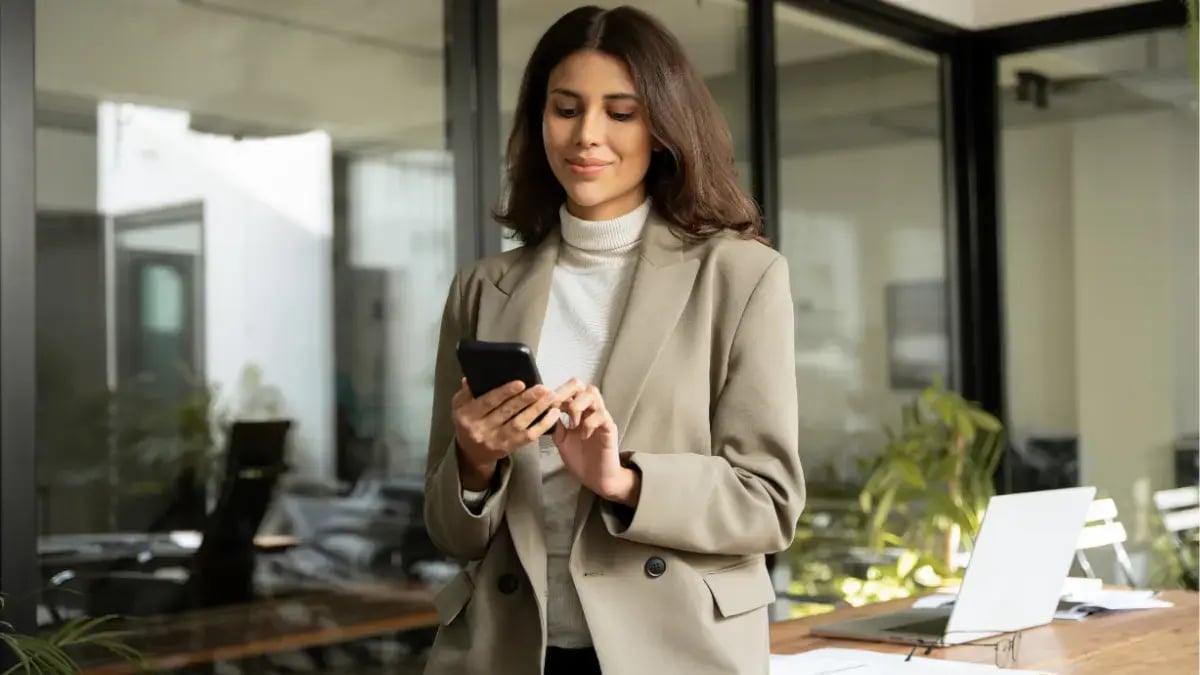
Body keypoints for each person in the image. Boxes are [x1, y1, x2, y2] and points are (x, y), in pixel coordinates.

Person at [422, 5, 805, 674]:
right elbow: (449, 529)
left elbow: (768, 502)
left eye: (620, 112)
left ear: (662, 126)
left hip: (671, 649)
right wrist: (474, 464)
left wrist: (624, 479)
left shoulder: (740, 277)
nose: (586, 136)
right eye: (566, 108)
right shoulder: (482, 288)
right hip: (509, 650)